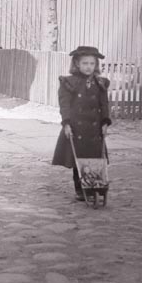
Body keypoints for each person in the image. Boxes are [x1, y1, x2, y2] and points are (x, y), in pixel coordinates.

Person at [52, 46, 111, 200]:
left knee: (95, 158)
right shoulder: (69, 83)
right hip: (76, 128)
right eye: (85, 63)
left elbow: (104, 104)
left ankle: (95, 187)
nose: (88, 67)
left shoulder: (100, 83)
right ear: (77, 64)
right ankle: (80, 189)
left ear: (96, 65)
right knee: (78, 158)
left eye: (92, 63)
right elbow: (64, 105)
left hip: (94, 129)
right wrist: (66, 124)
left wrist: (105, 122)